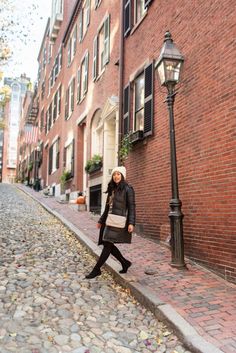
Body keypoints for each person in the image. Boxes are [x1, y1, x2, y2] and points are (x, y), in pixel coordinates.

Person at [85, 166, 135, 279]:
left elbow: (132, 207)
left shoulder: (128, 189)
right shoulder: (112, 189)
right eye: (114, 174)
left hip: (119, 222)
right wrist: (101, 220)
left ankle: (96, 269)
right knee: (108, 244)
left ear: (122, 176)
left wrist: (131, 223)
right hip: (109, 221)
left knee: (107, 244)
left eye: (118, 174)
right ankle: (124, 263)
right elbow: (107, 208)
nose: (116, 176)